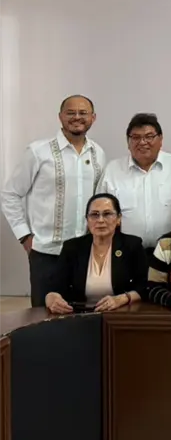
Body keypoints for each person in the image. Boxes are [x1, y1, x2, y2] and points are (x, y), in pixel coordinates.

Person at [0, 94, 107, 307]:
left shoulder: (98, 153)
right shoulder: (38, 151)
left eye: (83, 113)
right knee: (43, 317)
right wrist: (24, 236)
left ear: (93, 118)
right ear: (60, 117)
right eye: (71, 112)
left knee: (80, 317)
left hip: (85, 254)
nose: (77, 117)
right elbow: (10, 193)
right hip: (47, 253)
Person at [96, 113, 171, 255]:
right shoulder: (112, 170)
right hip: (126, 253)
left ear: (160, 139)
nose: (142, 142)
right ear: (128, 142)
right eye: (136, 137)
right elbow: (99, 211)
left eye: (149, 136)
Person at [44, 194, 147, 314]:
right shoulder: (72, 247)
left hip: (121, 314)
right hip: (80, 315)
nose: (100, 220)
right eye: (94, 215)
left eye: (107, 214)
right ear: (87, 220)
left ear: (118, 219)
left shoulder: (132, 245)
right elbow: (54, 287)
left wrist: (122, 299)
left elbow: (144, 286)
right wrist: (52, 299)